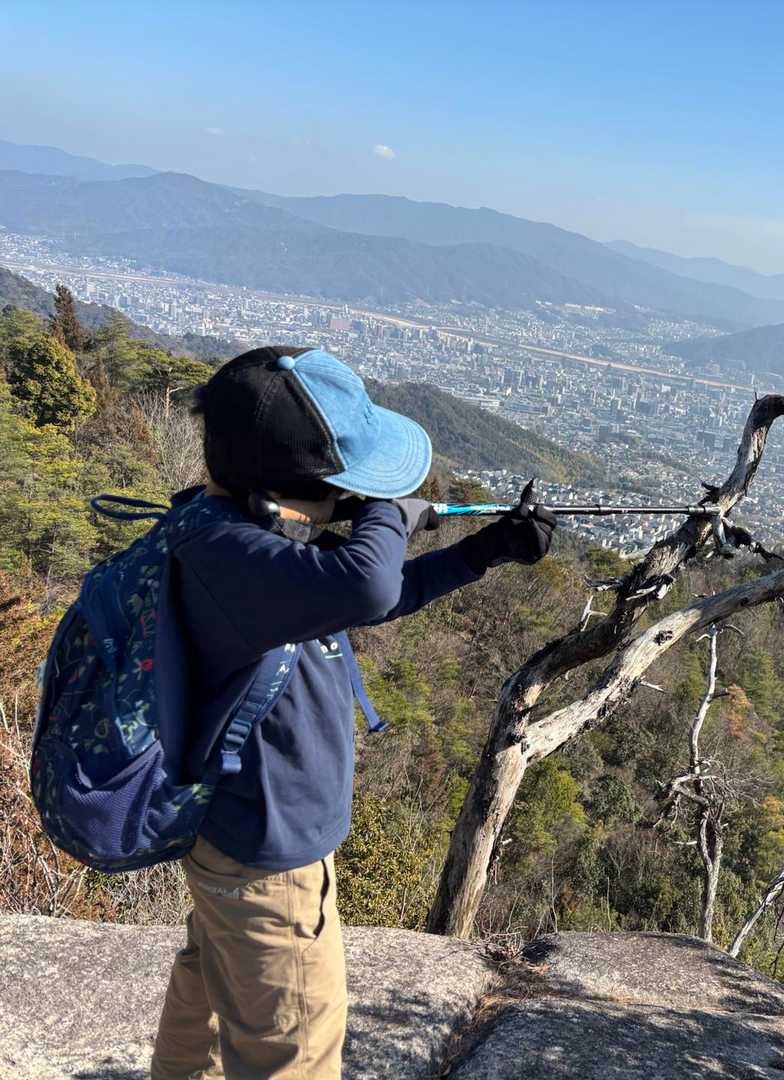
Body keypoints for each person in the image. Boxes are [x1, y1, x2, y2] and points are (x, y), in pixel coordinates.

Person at [149, 346, 555, 1080]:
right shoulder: (234, 556)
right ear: (296, 487)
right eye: (347, 483)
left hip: (234, 835)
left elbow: (372, 595)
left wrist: (483, 551)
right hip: (270, 858)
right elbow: (366, 585)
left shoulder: (224, 535)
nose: (358, 495)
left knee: (211, 983)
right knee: (293, 1053)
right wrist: (388, 512)